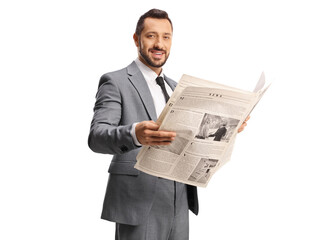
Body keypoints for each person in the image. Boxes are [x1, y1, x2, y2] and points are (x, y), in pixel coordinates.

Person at [88, 9, 249, 240]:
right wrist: (135, 134)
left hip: (180, 198)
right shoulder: (116, 81)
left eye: (166, 37)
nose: (159, 44)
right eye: (151, 36)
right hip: (139, 199)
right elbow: (97, 136)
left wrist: (228, 130)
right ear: (136, 39)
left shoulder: (179, 89)